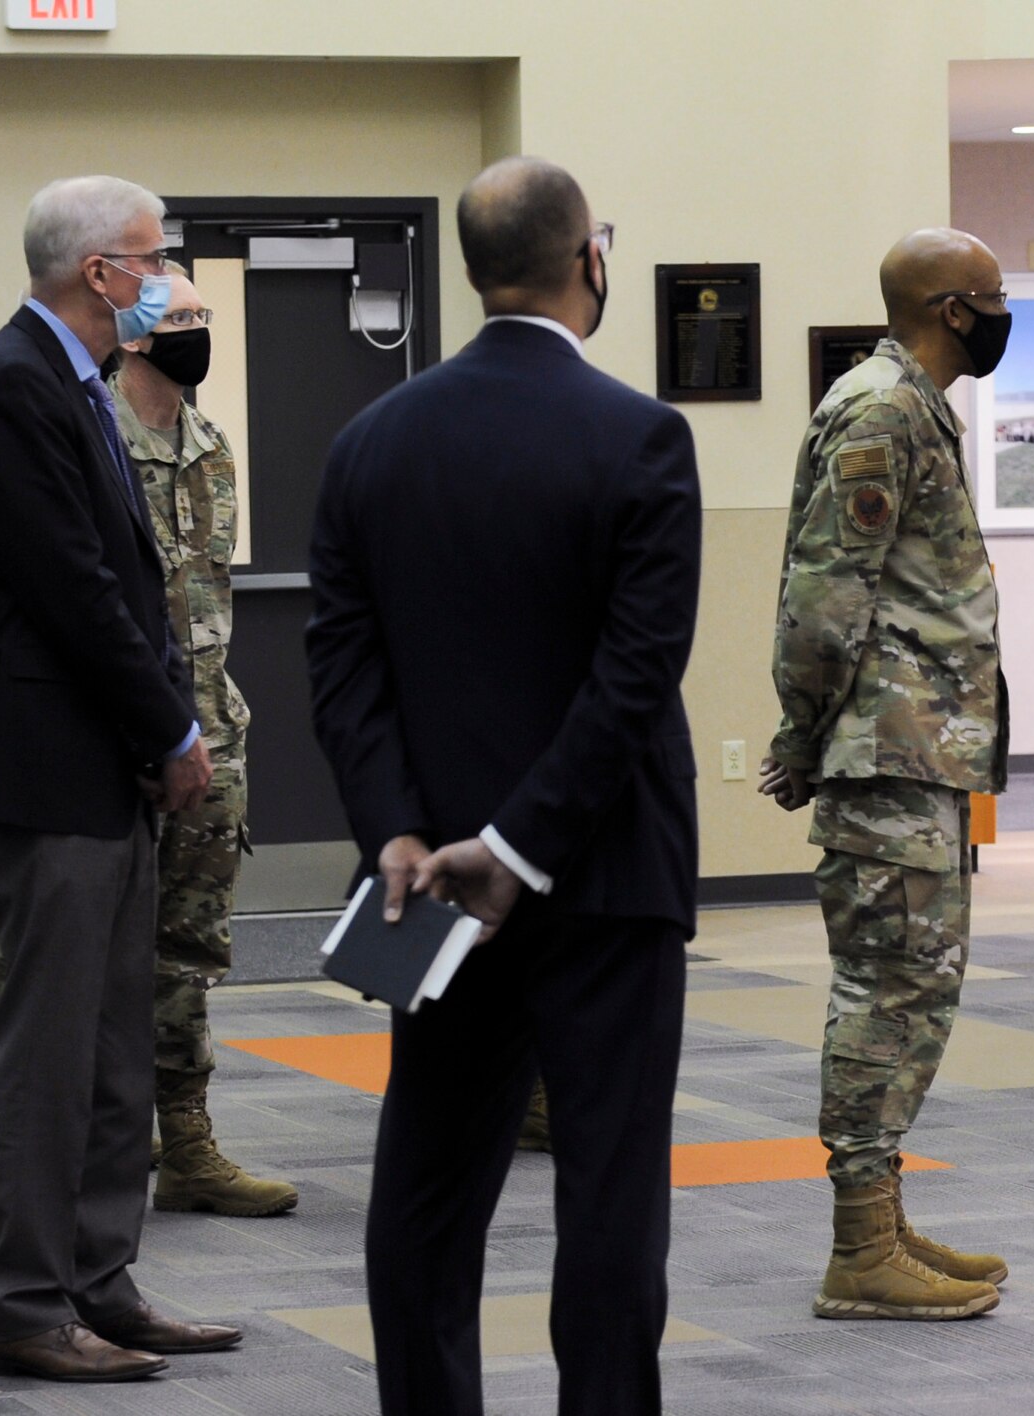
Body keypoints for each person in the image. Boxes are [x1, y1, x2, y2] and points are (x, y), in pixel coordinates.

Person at [307, 156, 700, 1416]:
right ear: (590, 259)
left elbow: (342, 665)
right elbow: (633, 679)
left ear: (478, 272)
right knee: (608, 1195)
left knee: (425, 1188)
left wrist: (400, 834)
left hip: (429, 892)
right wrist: (520, 845)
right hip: (602, 879)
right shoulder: (639, 435)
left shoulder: (371, 441)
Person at [0, 267, 297, 1220]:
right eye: (180, 315)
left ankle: (183, 1142)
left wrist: (198, 726)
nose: (196, 332)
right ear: (132, 321)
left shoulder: (210, 445)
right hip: (72, 745)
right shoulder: (58, 418)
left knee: (184, 952)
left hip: (200, 735)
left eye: (203, 316)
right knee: (32, 964)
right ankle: (39, 1152)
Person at [0, 175, 241, 1381]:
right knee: (51, 1052)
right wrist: (168, 729)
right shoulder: (10, 385)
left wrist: (159, 727)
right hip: (53, 768)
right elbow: (75, 590)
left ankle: (98, 1281)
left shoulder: (74, 382)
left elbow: (125, 580)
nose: (168, 274)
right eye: (151, 256)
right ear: (98, 274)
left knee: (116, 1042)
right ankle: (20, 1304)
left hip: (99, 764)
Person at [759, 227, 1010, 1322]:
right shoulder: (880, 409)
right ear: (951, 309)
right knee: (886, 986)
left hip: (917, 748)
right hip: (886, 749)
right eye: (994, 298)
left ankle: (882, 1217)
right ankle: (859, 1243)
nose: (1004, 315)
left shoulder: (911, 402)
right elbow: (826, 592)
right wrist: (804, 726)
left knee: (916, 983)